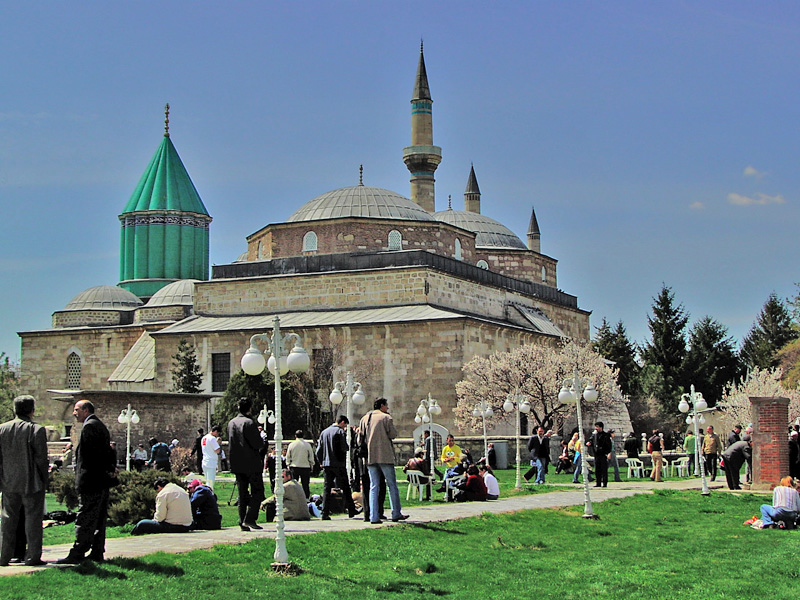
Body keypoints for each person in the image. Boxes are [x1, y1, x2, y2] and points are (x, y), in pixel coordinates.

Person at [57, 400, 117, 564]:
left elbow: (92, 457)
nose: (74, 413)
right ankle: (97, 551)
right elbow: (107, 452)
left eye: (76, 410)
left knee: (85, 518)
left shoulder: (90, 427)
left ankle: (78, 552)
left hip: (91, 482)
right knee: (98, 519)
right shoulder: (98, 425)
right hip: (100, 481)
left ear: (86, 410)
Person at [0, 395, 49, 567]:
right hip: (32, 481)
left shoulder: (2, 429)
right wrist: (45, 479)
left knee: (7, 520)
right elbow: (42, 459)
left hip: (8, 481)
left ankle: (3, 556)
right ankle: (33, 556)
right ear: (32, 410)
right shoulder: (36, 429)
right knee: (33, 520)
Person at [360, 398, 407, 524]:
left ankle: (373, 516)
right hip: (384, 456)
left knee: (374, 486)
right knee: (392, 485)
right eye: (387, 406)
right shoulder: (386, 418)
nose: (388, 408)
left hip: (370, 457)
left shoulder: (365, 418)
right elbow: (393, 434)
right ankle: (396, 512)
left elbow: (360, 438)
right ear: (382, 406)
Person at [228, 397, 266, 531]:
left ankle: (242, 519)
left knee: (242, 493)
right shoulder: (249, 423)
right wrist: (262, 439)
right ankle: (250, 518)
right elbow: (258, 444)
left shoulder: (231, 423)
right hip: (251, 463)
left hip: (237, 463)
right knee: (258, 492)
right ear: (249, 408)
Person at [316, 415, 359, 519]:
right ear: (342, 422)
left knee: (327, 488)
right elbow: (344, 447)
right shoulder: (340, 432)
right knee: (345, 487)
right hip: (338, 464)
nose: (345, 428)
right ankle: (351, 509)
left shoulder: (324, 432)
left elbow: (318, 450)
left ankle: (324, 512)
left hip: (327, 464)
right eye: (345, 425)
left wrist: (321, 461)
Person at [287, 429, 315, 500]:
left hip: (294, 466)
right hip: (305, 467)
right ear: (303, 436)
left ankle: (294, 497)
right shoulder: (307, 445)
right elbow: (311, 456)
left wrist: (288, 465)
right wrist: (311, 465)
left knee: (294, 484)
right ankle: (306, 498)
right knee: (305, 485)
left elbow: (288, 456)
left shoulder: (291, 445)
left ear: (295, 436)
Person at [590, 422, 613, 487]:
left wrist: (607, 453)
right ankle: (598, 482)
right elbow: (592, 441)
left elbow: (609, 445)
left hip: (603, 454)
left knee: (604, 469)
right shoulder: (594, 435)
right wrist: (590, 443)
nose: (596, 428)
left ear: (601, 427)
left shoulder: (606, 435)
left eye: (597, 427)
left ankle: (605, 483)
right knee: (597, 469)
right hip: (596, 454)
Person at [201, 426, 222, 491]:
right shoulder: (212, 439)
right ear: (215, 431)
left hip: (205, 461)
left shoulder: (204, 438)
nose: (218, 435)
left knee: (207, 481)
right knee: (210, 483)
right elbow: (217, 450)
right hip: (211, 462)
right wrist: (219, 443)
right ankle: (209, 497)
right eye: (218, 433)